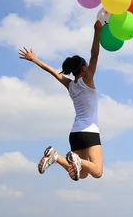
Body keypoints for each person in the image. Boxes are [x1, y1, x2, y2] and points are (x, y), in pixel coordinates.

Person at [18, 20, 104, 181]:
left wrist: (34, 59)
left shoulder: (70, 85)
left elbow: (52, 72)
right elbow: (95, 55)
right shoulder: (87, 80)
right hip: (90, 132)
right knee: (97, 172)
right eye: (87, 64)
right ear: (84, 69)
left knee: (83, 174)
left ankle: (55, 157)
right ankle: (75, 159)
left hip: (75, 134)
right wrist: (97, 31)